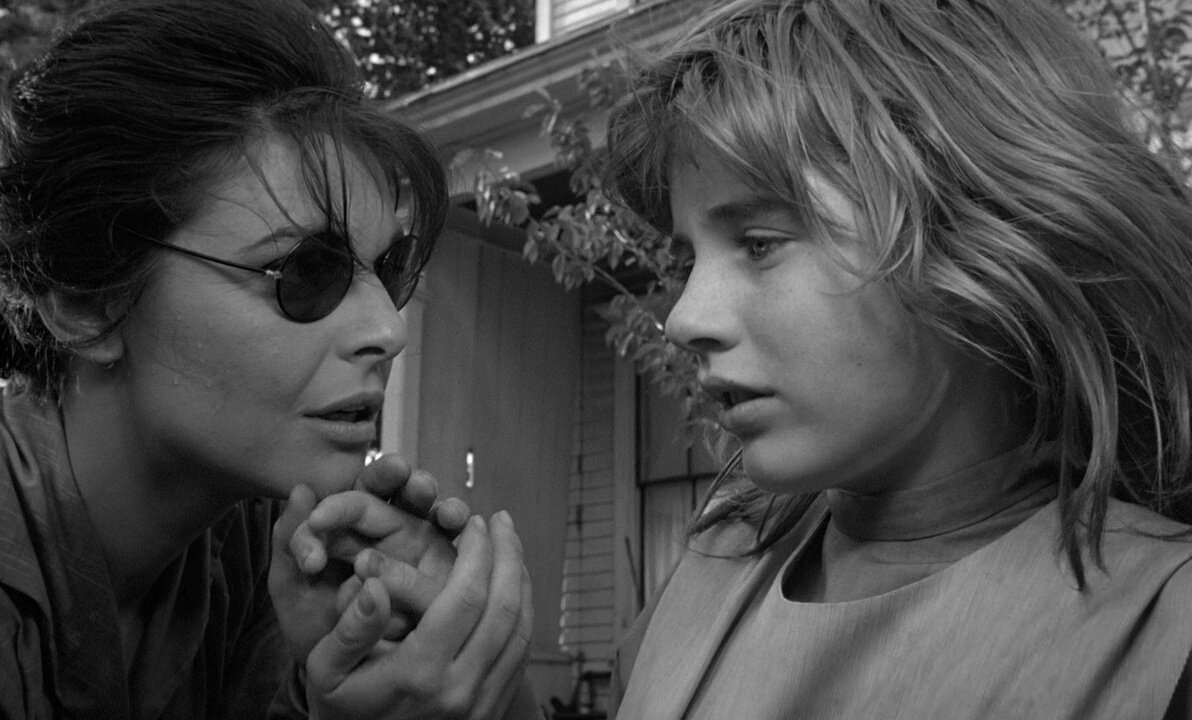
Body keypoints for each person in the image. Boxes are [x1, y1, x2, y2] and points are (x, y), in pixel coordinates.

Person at [604, 0, 1192, 717]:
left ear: (980, 237)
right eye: (687, 259)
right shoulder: (711, 561)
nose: (683, 318)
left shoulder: (1165, 627)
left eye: (759, 244)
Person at [0, 0, 538, 717]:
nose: (388, 327)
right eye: (306, 272)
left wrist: (430, 664)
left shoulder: (277, 566)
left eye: (391, 268)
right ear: (85, 301)